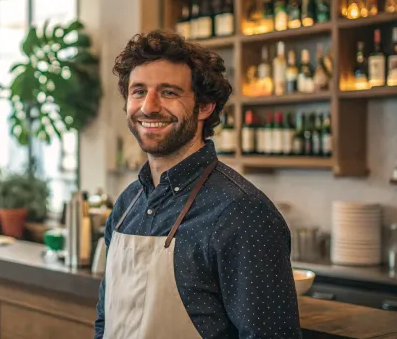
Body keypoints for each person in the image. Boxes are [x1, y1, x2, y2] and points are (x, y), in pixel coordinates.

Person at [94, 30, 301, 339]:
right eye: (138, 91)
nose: (148, 107)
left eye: (168, 92)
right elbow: (105, 323)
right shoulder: (127, 204)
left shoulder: (242, 212)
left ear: (205, 106)